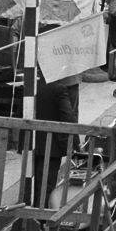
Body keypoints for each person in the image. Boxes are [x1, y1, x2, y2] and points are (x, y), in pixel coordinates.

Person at [33, 72, 80, 205]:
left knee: (35, 179)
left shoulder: (34, 86)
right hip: (51, 143)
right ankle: (41, 216)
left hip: (33, 141)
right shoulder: (58, 89)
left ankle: (35, 211)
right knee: (47, 182)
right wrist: (75, 144)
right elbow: (68, 117)